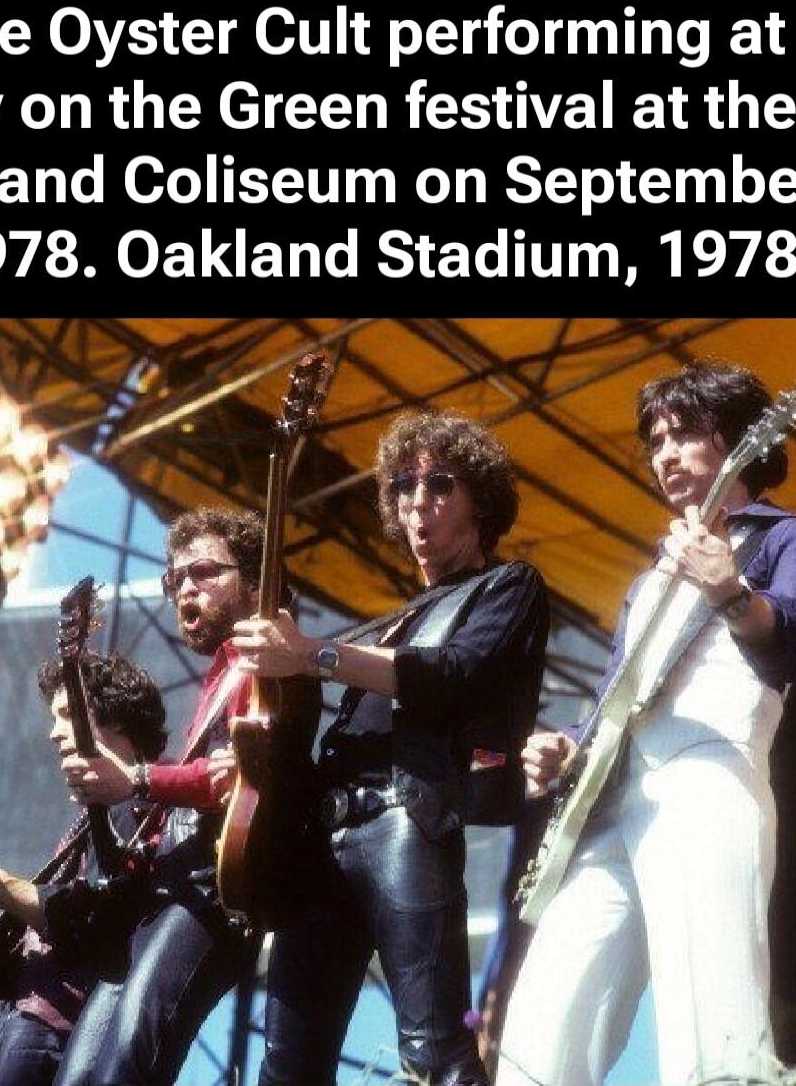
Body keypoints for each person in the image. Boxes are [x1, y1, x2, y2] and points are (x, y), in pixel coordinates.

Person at [497, 361, 796, 1086]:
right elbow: (618, 699)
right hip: (616, 802)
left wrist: (730, 590)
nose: (666, 453)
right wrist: (566, 749)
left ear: (743, 441)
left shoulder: (787, 536)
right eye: (655, 440)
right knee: (543, 1025)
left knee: (712, 1030)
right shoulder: (649, 578)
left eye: (686, 433)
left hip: (707, 779)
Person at [234, 411, 550, 1086]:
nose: (417, 502)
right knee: (285, 1066)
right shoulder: (393, 618)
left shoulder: (507, 586)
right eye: (404, 487)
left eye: (440, 482)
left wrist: (316, 653)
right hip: (328, 836)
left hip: (405, 818)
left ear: (480, 499)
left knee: (436, 1053)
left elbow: (454, 673)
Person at [53, 508, 319, 1086]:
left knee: (128, 1062)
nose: (185, 590)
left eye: (203, 572)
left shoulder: (267, 658)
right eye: (175, 581)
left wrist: (139, 779)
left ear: (255, 581)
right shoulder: (220, 672)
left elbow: (234, 778)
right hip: (165, 885)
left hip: (211, 890)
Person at [0, 652, 165, 1086]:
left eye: (66, 715)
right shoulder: (88, 821)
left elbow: (90, 919)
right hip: (5, 1023)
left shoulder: (136, 809)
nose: (53, 733)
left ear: (115, 718)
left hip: (46, 1031)